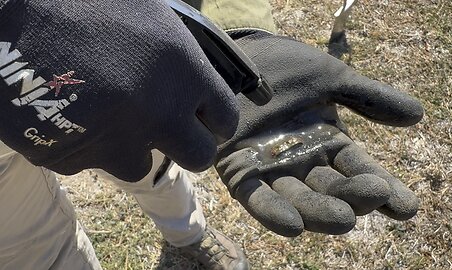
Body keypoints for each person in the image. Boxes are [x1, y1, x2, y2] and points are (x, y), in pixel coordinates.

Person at [0, 0, 424, 269]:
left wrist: (229, 49)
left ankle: (189, 235)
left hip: (131, 80)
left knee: (155, 168)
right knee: (31, 252)